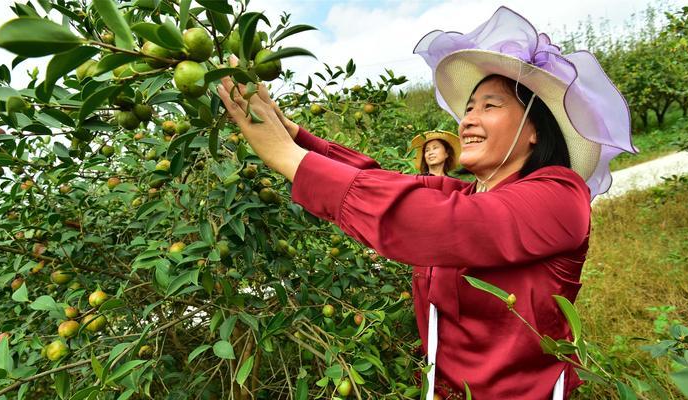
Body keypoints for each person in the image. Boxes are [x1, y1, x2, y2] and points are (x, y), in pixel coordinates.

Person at [216, 6, 635, 399]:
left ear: (535, 131)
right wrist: (296, 137)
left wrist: (290, 161)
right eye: (468, 107)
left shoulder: (558, 197)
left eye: (490, 106)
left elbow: (433, 223)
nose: (467, 119)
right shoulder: (467, 193)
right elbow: (380, 181)